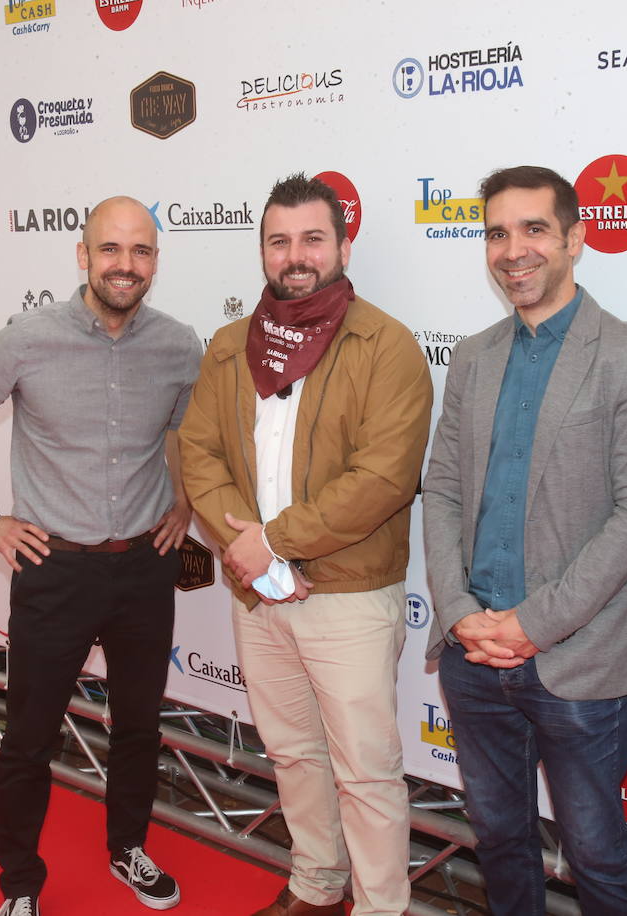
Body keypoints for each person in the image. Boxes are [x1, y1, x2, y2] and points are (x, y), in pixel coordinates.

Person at [0, 197, 202, 916]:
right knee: (30, 735)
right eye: (111, 250)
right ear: (83, 256)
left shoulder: (180, 346)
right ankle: (20, 883)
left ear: (154, 262)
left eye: (140, 252)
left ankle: (128, 850)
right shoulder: (27, 339)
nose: (126, 265)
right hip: (54, 569)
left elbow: (182, 432)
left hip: (145, 567)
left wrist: (184, 504)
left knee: (140, 726)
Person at [422, 165, 627, 914]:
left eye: (534, 229)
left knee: (599, 858)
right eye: (497, 232)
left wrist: (533, 624)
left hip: (579, 657)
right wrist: (459, 609)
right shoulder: (472, 355)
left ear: (575, 238)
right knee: (499, 841)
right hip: (472, 656)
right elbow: (441, 490)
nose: (513, 250)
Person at [178, 173, 432, 916]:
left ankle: (382, 907)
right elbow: (200, 455)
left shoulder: (386, 346)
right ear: (262, 250)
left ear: (342, 246)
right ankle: (317, 888)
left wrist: (274, 544)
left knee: (366, 771)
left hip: (346, 594)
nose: (296, 255)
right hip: (259, 595)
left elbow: (384, 477)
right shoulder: (230, 346)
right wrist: (249, 550)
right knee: (292, 756)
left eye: (312, 239)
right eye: (280, 240)